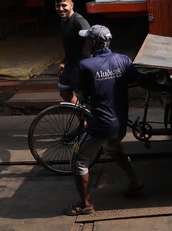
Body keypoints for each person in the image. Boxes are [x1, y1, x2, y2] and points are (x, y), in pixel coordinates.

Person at [63, 25, 165, 216]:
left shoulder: (86, 65)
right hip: (120, 124)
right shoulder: (123, 60)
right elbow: (142, 81)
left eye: (87, 40)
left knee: (79, 162)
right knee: (113, 149)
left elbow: (83, 96)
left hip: (101, 124)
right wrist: (166, 88)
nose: (86, 43)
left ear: (93, 43)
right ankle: (135, 181)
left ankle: (85, 205)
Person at [54, 0, 91, 103]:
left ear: (71, 4)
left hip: (81, 65)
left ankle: (87, 119)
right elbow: (69, 45)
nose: (61, 9)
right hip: (70, 64)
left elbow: (92, 40)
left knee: (85, 97)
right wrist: (62, 62)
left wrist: (93, 62)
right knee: (64, 93)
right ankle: (83, 116)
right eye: (57, 6)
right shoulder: (64, 21)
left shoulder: (79, 21)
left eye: (64, 5)